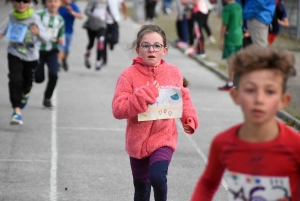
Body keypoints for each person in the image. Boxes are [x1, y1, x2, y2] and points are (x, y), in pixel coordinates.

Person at [191, 45, 299, 200]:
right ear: (235, 96)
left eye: (269, 91)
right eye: (250, 90)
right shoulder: (222, 143)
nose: (259, 100)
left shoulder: (295, 146)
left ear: (283, 100)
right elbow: (208, 183)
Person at [112, 25, 199, 201]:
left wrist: (189, 118)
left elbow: (184, 97)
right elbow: (118, 109)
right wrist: (143, 95)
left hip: (163, 138)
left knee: (158, 177)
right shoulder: (128, 75)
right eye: (146, 45)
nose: (151, 49)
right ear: (138, 49)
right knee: (142, 191)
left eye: (157, 46)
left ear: (165, 50)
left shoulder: (173, 72)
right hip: (137, 142)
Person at [0, 0, 50, 124]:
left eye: (25, 1)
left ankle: (25, 93)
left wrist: (38, 33)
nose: (21, 4)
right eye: (18, 1)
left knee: (27, 82)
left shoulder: (35, 18)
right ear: (13, 2)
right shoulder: (12, 15)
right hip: (14, 52)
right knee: (14, 79)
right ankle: (16, 111)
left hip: (31, 56)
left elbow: (47, 38)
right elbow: (5, 29)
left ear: (30, 3)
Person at [35, 0, 65, 109]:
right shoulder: (38, 15)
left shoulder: (60, 20)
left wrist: (61, 42)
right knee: (39, 78)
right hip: (38, 50)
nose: (53, 4)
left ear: (60, 4)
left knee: (54, 75)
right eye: (50, 1)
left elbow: (61, 36)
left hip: (52, 50)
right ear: (46, 3)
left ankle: (47, 98)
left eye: (55, 1)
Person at [217, 0, 242, 91]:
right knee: (236, 60)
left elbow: (224, 25)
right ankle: (236, 82)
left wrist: (221, 39)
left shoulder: (227, 8)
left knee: (231, 61)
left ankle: (231, 83)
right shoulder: (239, 6)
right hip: (238, 36)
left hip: (230, 37)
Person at [58, 0, 82, 71]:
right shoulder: (57, 4)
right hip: (59, 31)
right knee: (60, 47)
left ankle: (64, 59)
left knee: (67, 49)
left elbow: (80, 16)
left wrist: (72, 12)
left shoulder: (72, 5)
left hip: (69, 31)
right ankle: (58, 63)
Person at [83, 0, 107, 70]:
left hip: (102, 25)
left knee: (100, 42)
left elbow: (108, 10)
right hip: (92, 25)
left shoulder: (106, 2)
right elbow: (86, 11)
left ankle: (98, 61)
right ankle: (87, 56)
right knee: (91, 43)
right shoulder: (93, 1)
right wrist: (94, 16)